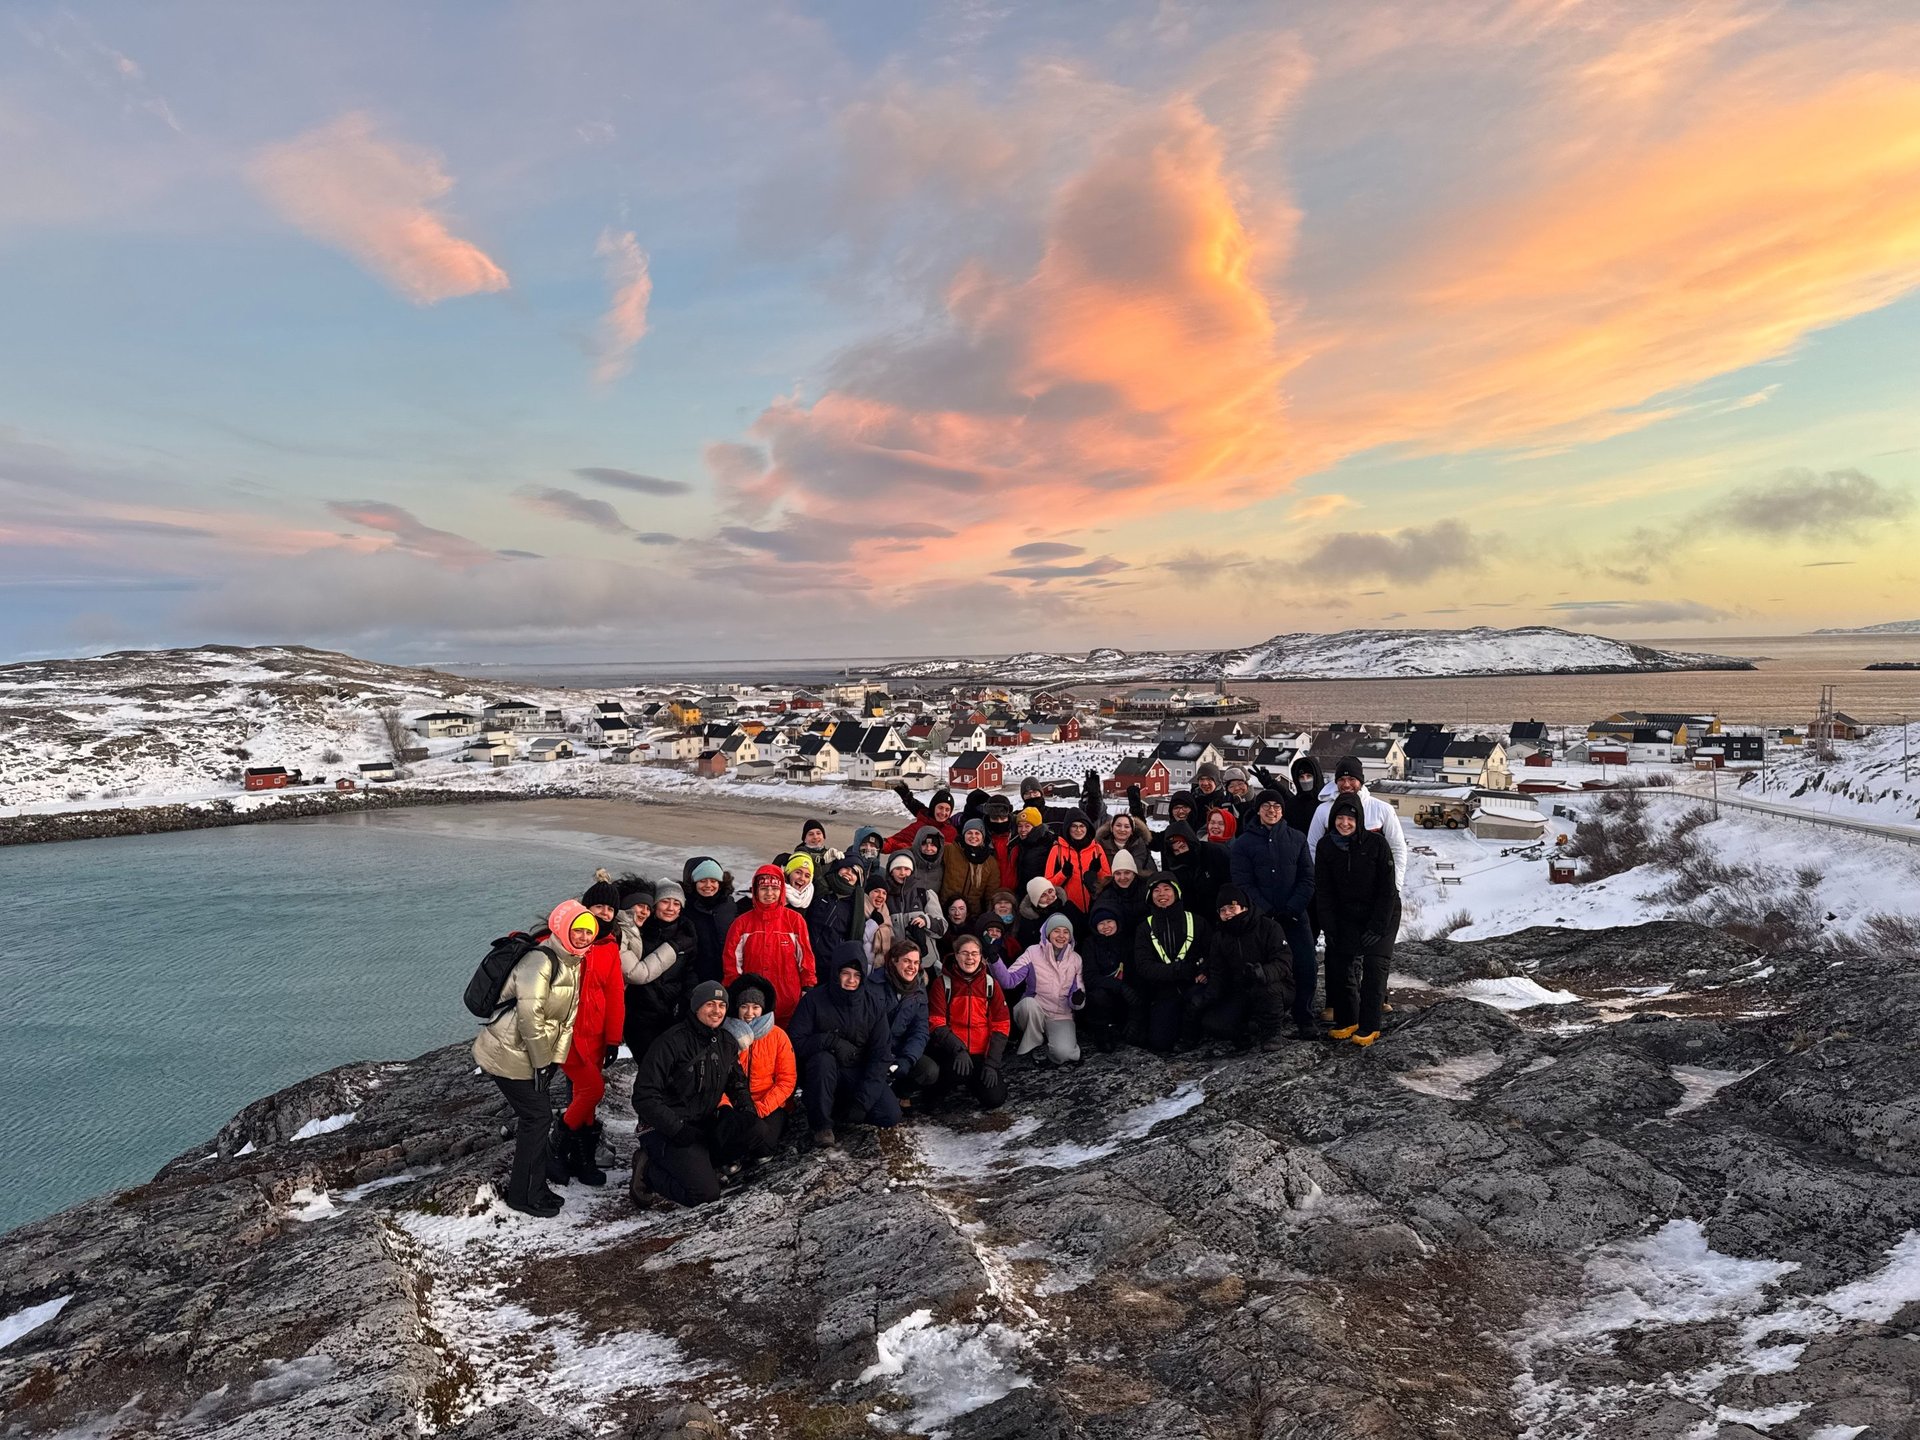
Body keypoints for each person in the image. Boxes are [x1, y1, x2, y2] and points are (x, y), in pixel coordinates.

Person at [474, 900, 591, 1217]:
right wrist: (542, 1062)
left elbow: (567, 1020)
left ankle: (533, 1189)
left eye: (588, 932)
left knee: (537, 1119)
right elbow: (529, 1017)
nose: (582, 937)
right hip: (507, 1052)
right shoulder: (540, 961)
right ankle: (522, 1196)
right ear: (562, 929)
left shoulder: (573, 962)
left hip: (530, 1055)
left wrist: (555, 1060)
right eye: (577, 930)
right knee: (537, 1118)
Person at [630, 980, 765, 1208]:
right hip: (668, 1129)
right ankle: (647, 1170)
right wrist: (677, 1129)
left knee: (755, 1129)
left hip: (703, 1123)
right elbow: (644, 1096)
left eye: (722, 1005)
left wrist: (747, 1112)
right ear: (696, 1007)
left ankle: (703, 1164)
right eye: (710, 1004)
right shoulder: (671, 1042)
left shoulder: (724, 1042)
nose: (717, 1011)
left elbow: (737, 1083)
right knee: (704, 1195)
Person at [1229, 789, 1321, 1039]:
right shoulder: (1244, 844)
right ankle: (1264, 1020)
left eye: (1277, 806)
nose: (1272, 810)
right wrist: (1266, 911)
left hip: (1295, 915)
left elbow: (1307, 878)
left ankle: (1304, 1017)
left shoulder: (1297, 838)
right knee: (1263, 971)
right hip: (1262, 921)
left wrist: (1293, 907)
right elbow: (1242, 883)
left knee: (1306, 966)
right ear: (1258, 810)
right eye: (1267, 806)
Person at [788, 942, 899, 1146]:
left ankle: (840, 1110)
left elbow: (881, 1055)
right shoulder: (814, 1000)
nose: (851, 980)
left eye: (857, 975)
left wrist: (862, 1103)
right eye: (846, 973)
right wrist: (829, 1041)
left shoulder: (872, 1003)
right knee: (822, 1060)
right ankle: (821, 1125)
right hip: (822, 1073)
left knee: (890, 1115)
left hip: (856, 1072)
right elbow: (795, 1041)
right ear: (836, 973)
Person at [554, 879, 626, 1187]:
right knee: (592, 1091)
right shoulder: (566, 943)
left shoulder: (610, 948)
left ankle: (580, 1160)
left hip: (596, 1037)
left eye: (610, 909)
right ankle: (555, 1149)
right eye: (599, 906)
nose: (605, 913)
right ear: (586, 907)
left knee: (586, 1097)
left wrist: (612, 1039)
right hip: (568, 1035)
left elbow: (615, 996)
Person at [1315, 792, 1402, 1047]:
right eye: (1339, 818)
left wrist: (1377, 927)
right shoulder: (1326, 846)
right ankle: (1348, 1019)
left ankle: (1369, 1024)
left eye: (1350, 819)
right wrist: (1329, 927)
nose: (1344, 823)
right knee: (1341, 963)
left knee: (1375, 966)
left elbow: (1388, 890)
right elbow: (1324, 890)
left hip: (1383, 912)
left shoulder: (1376, 844)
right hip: (1348, 914)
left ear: (1359, 820)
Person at [1191, 884, 1292, 1053]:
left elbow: (1284, 962)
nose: (1228, 913)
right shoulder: (1220, 937)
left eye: (1232, 907)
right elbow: (1218, 974)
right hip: (1239, 992)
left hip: (1275, 987)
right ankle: (1247, 1030)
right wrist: (1205, 999)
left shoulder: (1269, 927)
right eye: (1222, 910)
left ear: (1244, 907)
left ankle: (1272, 1034)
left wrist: (1263, 973)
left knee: (1268, 990)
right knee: (1212, 1023)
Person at [722, 864, 818, 1026]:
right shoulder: (741, 924)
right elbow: (731, 962)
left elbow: (806, 959)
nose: (769, 893)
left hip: (788, 1001)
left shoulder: (795, 921)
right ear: (755, 891)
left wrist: (807, 987)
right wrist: (737, 991)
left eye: (774, 888)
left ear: (782, 890)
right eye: (764, 888)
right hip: (753, 1004)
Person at [926, 934, 1011, 1111]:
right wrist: (958, 1048)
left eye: (974, 953)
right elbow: (936, 1023)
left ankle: (973, 1082)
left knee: (995, 1099)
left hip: (982, 1055)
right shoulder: (943, 984)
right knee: (949, 1078)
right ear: (956, 955)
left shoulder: (990, 984)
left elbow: (1002, 1025)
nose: (970, 958)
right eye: (964, 953)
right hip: (953, 1052)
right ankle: (938, 1090)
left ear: (981, 956)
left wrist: (992, 1064)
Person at [618, 875, 693, 1077]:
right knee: (649, 1069)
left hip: (673, 1015)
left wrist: (683, 1004)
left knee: (672, 1070)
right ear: (655, 905)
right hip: (640, 1015)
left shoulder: (688, 935)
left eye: (676, 903)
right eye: (665, 901)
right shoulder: (639, 933)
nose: (670, 907)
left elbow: (691, 974)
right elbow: (635, 973)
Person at [1305, 755, 1410, 892]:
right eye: (1341, 779)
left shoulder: (1382, 810)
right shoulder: (1323, 810)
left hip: (1375, 890)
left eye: (1352, 779)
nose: (1346, 784)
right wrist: (1322, 882)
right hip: (1337, 891)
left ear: (1361, 781)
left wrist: (1394, 887)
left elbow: (1397, 848)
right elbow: (1312, 847)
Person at [722, 974, 796, 1157]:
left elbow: (786, 1080)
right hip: (734, 1105)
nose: (749, 1013)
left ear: (762, 1009)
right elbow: (717, 1077)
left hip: (768, 1104)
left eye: (755, 1007)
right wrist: (726, 1107)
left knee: (763, 1145)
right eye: (744, 1007)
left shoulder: (778, 1036)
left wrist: (761, 1107)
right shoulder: (726, 1035)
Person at [999, 913, 1085, 1064]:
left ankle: (1050, 1044)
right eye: (1056, 931)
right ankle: (1035, 1044)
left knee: (1064, 1055)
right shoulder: (1032, 952)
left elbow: (1077, 999)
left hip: (1060, 1014)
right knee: (1028, 1006)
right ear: (1048, 933)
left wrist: (1078, 999)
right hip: (1036, 1008)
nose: (1061, 936)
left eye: (1066, 932)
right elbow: (1009, 981)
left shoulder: (1076, 959)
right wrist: (994, 960)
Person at [1130, 875, 1201, 1053]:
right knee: (1160, 1042)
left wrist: (1202, 970)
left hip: (1195, 985)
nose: (1162, 894)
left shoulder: (1196, 921)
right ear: (1150, 896)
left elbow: (1211, 953)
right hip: (1164, 991)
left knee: (1217, 1023)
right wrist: (1176, 970)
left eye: (1167, 889)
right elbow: (1144, 966)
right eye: (1156, 890)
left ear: (1176, 893)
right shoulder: (1144, 928)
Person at [866, 939, 936, 1105]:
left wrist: (907, 1058)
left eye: (916, 962)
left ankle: (900, 1092)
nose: (912, 967)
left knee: (929, 1070)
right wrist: (882, 1055)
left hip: (899, 1050)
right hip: (873, 1051)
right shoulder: (874, 985)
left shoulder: (918, 990)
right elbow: (864, 1027)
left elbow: (920, 1031)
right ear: (894, 961)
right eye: (906, 961)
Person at [869, 850, 946, 966]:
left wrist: (926, 921)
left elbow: (942, 928)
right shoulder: (884, 897)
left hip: (926, 963)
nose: (902, 873)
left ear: (912, 871)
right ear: (891, 871)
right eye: (898, 868)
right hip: (897, 963)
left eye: (906, 869)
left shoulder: (924, 894)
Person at [1078, 889, 1132, 1051]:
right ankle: (1101, 1032)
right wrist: (1117, 985)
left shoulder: (1127, 941)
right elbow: (1090, 976)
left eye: (1109, 922)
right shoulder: (1089, 944)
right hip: (1103, 996)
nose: (1106, 927)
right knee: (1098, 996)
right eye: (1101, 923)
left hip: (1126, 994)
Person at [1157, 819, 1230, 917]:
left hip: (1223, 911)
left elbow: (1231, 882)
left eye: (1183, 847)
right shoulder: (1175, 866)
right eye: (1177, 851)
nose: (1181, 852)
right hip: (1193, 917)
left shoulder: (1215, 853)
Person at [1044, 810, 1111, 913]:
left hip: (1094, 906)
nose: (1078, 830)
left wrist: (1097, 872)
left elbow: (1108, 880)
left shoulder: (1097, 849)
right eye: (1074, 826)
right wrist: (1063, 874)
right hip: (1068, 908)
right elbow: (1047, 885)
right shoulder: (1057, 850)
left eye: (1082, 826)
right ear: (1068, 828)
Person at [681, 857, 735, 985]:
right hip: (696, 977)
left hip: (726, 976)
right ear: (693, 883)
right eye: (702, 881)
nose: (708, 886)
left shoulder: (729, 905)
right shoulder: (685, 908)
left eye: (713, 881)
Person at [941, 814, 1003, 912]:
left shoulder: (990, 862)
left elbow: (991, 893)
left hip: (972, 914)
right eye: (969, 833)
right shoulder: (950, 850)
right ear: (963, 834)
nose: (973, 836)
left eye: (977, 833)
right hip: (946, 909)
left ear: (982, 837)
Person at [1015, 875, 1084, 949]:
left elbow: (1083, 929)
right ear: (1036, 901)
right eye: (1043, 895)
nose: (1049, 896)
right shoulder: (1030, 919)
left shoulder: (1068, 907)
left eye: (1050, 891)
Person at [881, 785, 958, 851]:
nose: (943, 813)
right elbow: (895, 842)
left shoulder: (951, 831)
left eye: (947, 810)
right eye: (940, 808)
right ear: (933, 807)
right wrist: (878, 844)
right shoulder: (919, 827)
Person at [1095, 811, 1154, 876]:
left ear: (1132, 831)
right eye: (1118, 825)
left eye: (1127, 826)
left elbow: (1150, 872)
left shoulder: (1141, 847)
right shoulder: (1100, 847)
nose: (1122, 829)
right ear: (1112, 828)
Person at [1283, 756, 1324, 837]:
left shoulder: (1326, 802)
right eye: (1301, 777)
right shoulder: (1291, 806)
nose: (1305, 780)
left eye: (1309, 776)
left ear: (1316, 777)